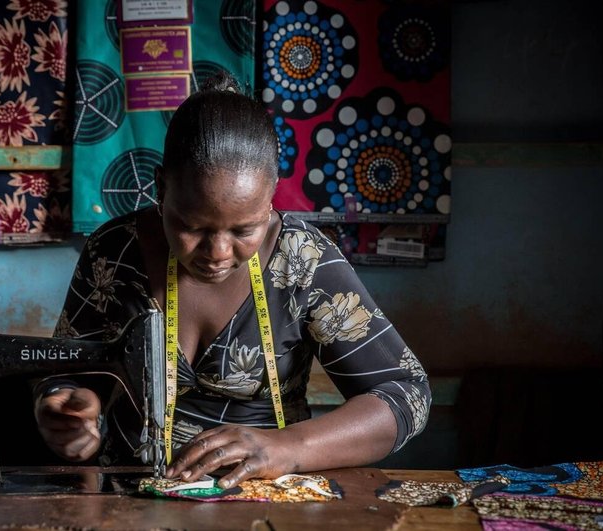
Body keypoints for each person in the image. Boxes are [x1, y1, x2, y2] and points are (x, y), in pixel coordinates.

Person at [34, 72, 431, 490]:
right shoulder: (114, 253)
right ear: (160, 188)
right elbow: (67, 372)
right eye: (193, 227)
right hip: (128, 499)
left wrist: (288, 447)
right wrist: (67, 412)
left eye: (244, 230)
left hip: (262, 503)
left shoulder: (302, 262)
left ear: (271, 195)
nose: (219, 253)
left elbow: (409, 395)